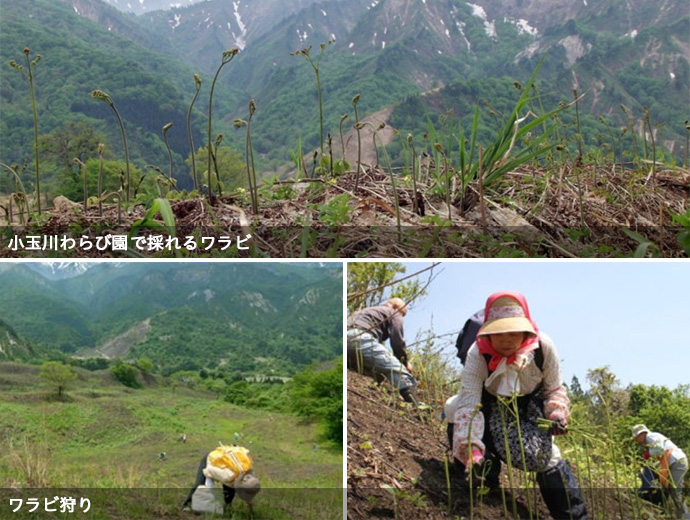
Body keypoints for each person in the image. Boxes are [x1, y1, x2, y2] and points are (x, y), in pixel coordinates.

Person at [451, 291, 588, 520]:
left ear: (526, 331)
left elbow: (554, 388)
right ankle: (483, 478)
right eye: (499, 333)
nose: (506, 340)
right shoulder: (478, 353)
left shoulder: (543, 347)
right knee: (452, 408)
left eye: (514, 333)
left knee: (547, 458)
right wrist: (471, 448)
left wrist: (555, 413)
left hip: (530, 407)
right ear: (488, 332)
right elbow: (469, 401)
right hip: (491, 404)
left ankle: (574, 516)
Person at [347, 298, 419, 405]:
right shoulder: (394, 313)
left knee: (378, 372)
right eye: (402, 314)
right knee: (396, 369)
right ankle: (415, 404)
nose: (401, 317)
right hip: (360, 338)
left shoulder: (366, 311)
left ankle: (371, 391)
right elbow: (397, 342)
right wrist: (404, 362)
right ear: (396, 307)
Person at [632, 424, 690, 519]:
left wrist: (647, 454)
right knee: (669, 491)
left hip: (677, 462)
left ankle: (686, 517)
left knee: (675, 492)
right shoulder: (651, 440)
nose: (637, 441)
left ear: (641, 434)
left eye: (636, 438)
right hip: (674, 463)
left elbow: (660, 449)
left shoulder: (650, 436)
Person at [181, 445, 261, 513]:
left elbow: (248, 488)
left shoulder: (250, 472)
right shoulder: (227, 476)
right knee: (199, 483)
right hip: (212, 461)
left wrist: (250, 508)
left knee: (230, 489)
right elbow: (208, 470)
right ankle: (186, 504)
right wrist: (208, 483)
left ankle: (227, 508)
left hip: (228, 468)